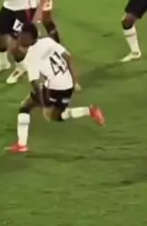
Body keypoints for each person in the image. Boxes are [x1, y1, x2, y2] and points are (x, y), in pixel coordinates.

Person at [7, 23, 105, 153]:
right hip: (67, 84)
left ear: (28, 37)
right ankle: (90, 111)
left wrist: (43, 104)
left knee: (26, 108)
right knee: (57, 115)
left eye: (21, 35)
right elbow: (68, 58)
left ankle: (22, 145)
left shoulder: (31, 57)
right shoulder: (47, 41)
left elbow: (35, 84)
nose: (19, 38)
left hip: (56, 87)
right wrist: (75, 82)